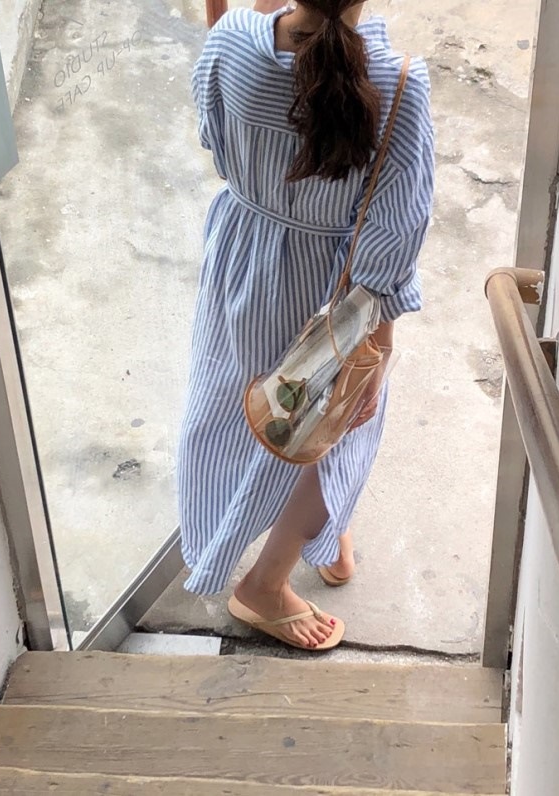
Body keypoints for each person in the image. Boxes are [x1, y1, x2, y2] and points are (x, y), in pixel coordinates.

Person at [177, 0, 434, 650]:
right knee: (336, 426)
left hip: (242, 258)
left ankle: (314, 529)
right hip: (332, 290)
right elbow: (394, 231)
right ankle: (265, 585)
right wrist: (380, 340)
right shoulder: (397, 83)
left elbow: (213, 138)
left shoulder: (232, 42)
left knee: (251, 405)